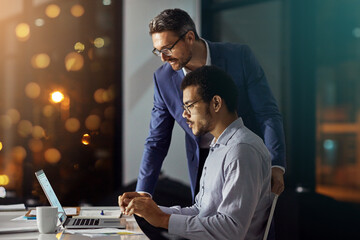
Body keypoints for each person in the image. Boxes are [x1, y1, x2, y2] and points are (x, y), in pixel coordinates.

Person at [120, 66, 273, 240]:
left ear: (216, 103)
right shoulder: (219, 146)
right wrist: (147, 208)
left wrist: (163, 219)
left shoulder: (242, 150)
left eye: (189, 106)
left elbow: (231, 230)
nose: (184, 114)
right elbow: (200, 211)